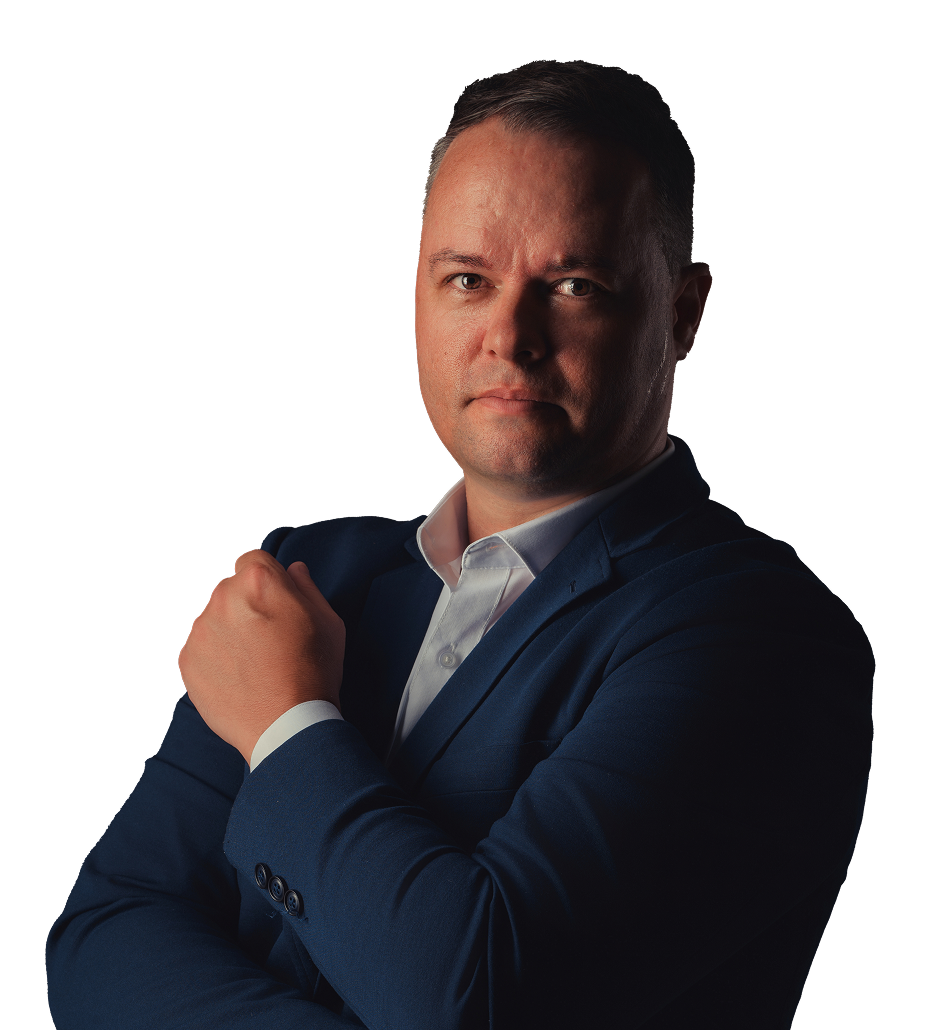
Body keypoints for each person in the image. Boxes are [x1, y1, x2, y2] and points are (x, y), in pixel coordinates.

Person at [46, 59, 874, 1029]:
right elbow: (101, 934)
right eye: (468, 280)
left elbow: (476, 996)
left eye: (574, 284)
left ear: (684, 313)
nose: (508, 336)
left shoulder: (762, 635)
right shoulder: (310, 573)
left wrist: (286, 722)